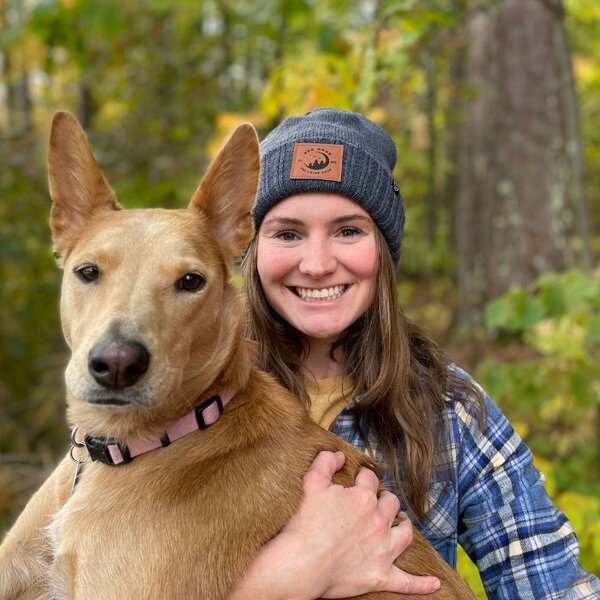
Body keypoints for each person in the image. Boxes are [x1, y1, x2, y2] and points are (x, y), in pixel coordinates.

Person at [230, 108, 600, 599]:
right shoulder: (196, 402)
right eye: (287, 233)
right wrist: (290, 578)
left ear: (383, 249)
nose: (316, 264)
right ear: (252, 248)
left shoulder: (447, 409)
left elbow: (551, 584)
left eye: (348, 230)